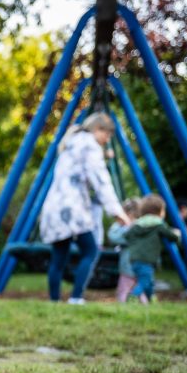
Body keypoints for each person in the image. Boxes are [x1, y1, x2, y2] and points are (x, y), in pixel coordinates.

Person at [38, 112, 129, 305]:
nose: (108, 139)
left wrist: (104, 155)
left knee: (59, 257)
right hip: (73, 209)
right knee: (90, 250)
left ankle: (54, 301)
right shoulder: (90, 145)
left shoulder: (71, 143)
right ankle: (76, 297)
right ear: (98, 129)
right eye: (108, 135)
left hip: (54, 207)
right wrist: (116, 211)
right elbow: (100, 180)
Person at [125, 193, 182, 303]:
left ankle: (151, 299)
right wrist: (178, 235)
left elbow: (127, 236)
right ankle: (133, 295)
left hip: (134, 258)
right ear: (160, 211)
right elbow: (171, 236)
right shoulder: (158, 224)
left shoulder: (137, 224)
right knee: (145, 281)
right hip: (147, 259)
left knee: (149, 282)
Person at [108, 197, 140, 303]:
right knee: (140, 288)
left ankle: (123, 305)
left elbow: (113, 236)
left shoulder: (130, 228)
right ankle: (144, 306)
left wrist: (120, 224)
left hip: (129, 266)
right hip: (142, 266)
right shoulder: (142, 226)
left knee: (124, 289)